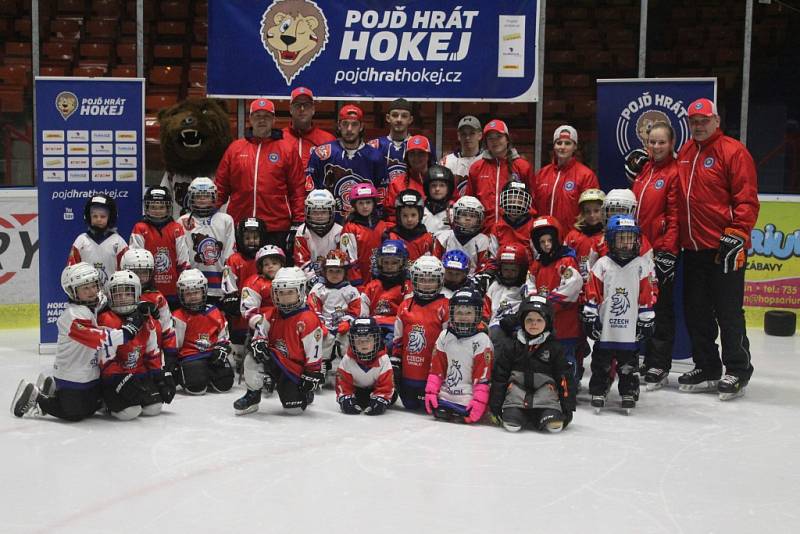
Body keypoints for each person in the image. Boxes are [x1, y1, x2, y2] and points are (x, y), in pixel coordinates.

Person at [675, 98, 759, 400]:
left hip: (726, 248)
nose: (698, 126)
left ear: (716, 120)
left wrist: (736, 233)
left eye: (704, 120)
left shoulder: (733, 151)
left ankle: (737, 368)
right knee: (696, 311)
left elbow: (747, 199)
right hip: (693, 248)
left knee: (728, 312)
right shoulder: (685, 153)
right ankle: (707, 365)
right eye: (693, 121)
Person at [12, 263, 143, 420]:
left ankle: (50, 387)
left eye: (94, 285)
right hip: (72, 376)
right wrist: (128, 331)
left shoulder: (91, 305)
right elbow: (100, 339)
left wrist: (141, 305)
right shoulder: (73, 317)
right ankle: (34, 396)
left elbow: (116, 300)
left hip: (89, 374)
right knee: (74, 414)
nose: (92, 291)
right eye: (85, 288)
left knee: (91, 408)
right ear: (73, 292)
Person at [582, 216, 656, 413]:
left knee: (629, 363)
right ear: (611, 240)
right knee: (601, 361)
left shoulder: (642, 265)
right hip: (606, 327)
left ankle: (629, 391)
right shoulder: (602, 264)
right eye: (621, 238)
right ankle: (599, 389)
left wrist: (646, 319)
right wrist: (590, 316)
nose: (626, 243)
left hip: (629, 328)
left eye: (630, 238)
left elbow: (646, 295)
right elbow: (593, 293)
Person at [215, 98, 305, 250]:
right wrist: (207, 216)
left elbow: (297, 190)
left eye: (266, 116)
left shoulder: (287, 149)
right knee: (241, 269)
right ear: (250, 119)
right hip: (241, 225)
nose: (262, 120)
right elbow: (221, 187)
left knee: (274, 272)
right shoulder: (235, 149)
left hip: (276, 227)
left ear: (274, 119)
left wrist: (298, 223)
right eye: (257, 116)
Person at [234, 267, 325, 415]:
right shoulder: (272, 314)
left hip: (294, 368)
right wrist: (259, 341)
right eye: (281, 293)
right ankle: (252, 395)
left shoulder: (308, 319)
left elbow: (313, 351)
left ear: (300, 291)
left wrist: (312, 373)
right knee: (253, 357)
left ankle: (303, 393)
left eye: (290, 292)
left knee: (293, 410)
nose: (285, 297)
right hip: (274, 359)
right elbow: (261, 331)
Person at [631, 121, 680, 390]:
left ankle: (659, 364)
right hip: (639, 250)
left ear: (672, 143)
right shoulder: (645, 170)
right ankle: (647, 357)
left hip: (659, 251)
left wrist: (668, 252)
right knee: (643, 307)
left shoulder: (675, 172)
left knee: (660, 308)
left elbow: (675, 217)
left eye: (662, 142)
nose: (657, 146)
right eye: (652, 142)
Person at [489, 296, 575, 432]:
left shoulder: (554, 348)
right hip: (516, 394)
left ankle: (544, 412)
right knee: (512, 420)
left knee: (552, 421)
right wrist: (495, 405)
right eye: (529, 320)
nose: (534, 324)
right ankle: (518, 412)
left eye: (539, 320)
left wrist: (567, 407)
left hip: (546, 395)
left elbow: (564, 377)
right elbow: (500, 376)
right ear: (522, 321)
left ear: (547, 322)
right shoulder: (512, 345)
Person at [97, 270, 167, 420]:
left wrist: (159, 376)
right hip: (114, 378)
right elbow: (105, 360)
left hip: (138, 373)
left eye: (128, 294)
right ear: (110, 296)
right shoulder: (106, 319)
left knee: (154, 408)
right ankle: (103, 401)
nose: (122, 299)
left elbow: (152, 351)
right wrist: (120, 379)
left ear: (137, 295)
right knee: (129, 413)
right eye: (117, 294)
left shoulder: (145, 317)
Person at [424, 288, 492, 424]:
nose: (463, 316)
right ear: (452, 313)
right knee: (441, 412)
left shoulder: (482, 340)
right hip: (445, 395)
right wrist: (431, 392)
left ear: (477, 314)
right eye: (459, 312)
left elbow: (482, 376)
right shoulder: (445, 335)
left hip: (467, 397)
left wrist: (479, 402)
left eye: (468, 313)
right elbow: (437, 369)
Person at [306, 104, 386, 218]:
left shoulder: (375, 156)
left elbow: (381, 194)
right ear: (339, 125)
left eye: (354, 124)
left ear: (361, 126)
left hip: (363, 223)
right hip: (327, 222)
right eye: (345, 124)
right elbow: (310, 189)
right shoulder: (322, 154)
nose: (349, 129)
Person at [391, 256, 450, 410]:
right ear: (414, 280)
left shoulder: (445, 306)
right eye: (422, 279)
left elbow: (448, 343)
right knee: (409, 405)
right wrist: (396, 361)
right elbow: (398, 338)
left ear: (440, 281)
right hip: (408, 374)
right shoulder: (405, 305)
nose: (426, 284)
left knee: (428, 407)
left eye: (431, 280)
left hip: (432, 374)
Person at [527, 216, 583, 375]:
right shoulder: (537, 263)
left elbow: (571, 288)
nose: (546, 245)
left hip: (565, 324)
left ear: (557, 238)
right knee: (543, 360)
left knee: (566, 360)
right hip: (541, 322)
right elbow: (529, 284)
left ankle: (568, 389)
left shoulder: (567, 261)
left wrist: (542, 305)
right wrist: (534, 304)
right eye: (542, 242)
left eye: (549, 240)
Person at [170, 268, 234, 395]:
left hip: (212, 355)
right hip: (190, 357)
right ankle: (197, 374)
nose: (193, 297)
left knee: (225, 384)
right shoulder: (178, 316)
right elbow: (175, 344)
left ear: (204, 291)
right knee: (196, 387)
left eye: (196, 292)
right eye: (188, 293)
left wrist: (222, 348)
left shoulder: (214, 311)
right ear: (181, 294)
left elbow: (223, 336)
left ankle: (208, 374)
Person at [465, 119, 534, 232]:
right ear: (486, 142)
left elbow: (532, 202)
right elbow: (469, 200)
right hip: (483, 232)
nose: (494, 141)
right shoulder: (476, 168)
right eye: (490, 138)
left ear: (507, 139)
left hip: (514, 232)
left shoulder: (523, 166)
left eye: (499, 136)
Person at [308, 250, 366, 382]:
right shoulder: (319, 289)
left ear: (345, 273)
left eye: (338, 271)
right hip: (324, 325)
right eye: (331, 271)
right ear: (324, 272)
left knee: (347, 343)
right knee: (322, 341)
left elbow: (355, 309)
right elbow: (313, 307)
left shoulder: (350, 290)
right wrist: (319, 324)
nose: (334, 275)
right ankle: (321, 366)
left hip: (344, 326)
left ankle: (347, 369)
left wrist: (348, 321)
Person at [129, 186, 191, 308]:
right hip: (146, 291)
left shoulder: (176, 228)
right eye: (153, 207)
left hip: (173, 292)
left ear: (168, 208)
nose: (157, 211)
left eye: (161, 207)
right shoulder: (140, 228)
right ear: (146, 207)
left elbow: (183, 262)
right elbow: (134, 263)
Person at [220, 217, 268, 369]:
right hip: (240, 311)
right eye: (247, 238)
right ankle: (239, 352)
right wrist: (232, 298)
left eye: (255, 237)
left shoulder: (268, 258)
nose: (252, 241)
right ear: (240, 238)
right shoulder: (233, 260)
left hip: (262, 308)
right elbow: (228, 285)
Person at [179, 177, 236, 303]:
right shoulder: (183, 220)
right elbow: (182, 254)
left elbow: (230, 252)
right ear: (191, 197)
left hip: (218, 281)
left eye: (206, 195)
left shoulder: (226, 220)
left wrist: (229, 283)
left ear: (214, 197)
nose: (202, 199)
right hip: (191, 284)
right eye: (198, 196)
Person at [533, 125, 600, 232]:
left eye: (568, 143)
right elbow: (533, 207)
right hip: (544, 241)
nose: (562, 147)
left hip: (571, 241)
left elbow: (592, 212)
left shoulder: (586, 175)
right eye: (559, 143)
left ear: (575, 146)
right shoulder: (542, 174)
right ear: (554, 146)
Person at [120, 248, 177, 366]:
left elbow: (167, 326)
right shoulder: (119, 294)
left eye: (144, 272)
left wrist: (170, 352)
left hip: (154, 350)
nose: (140, 277)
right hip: (126, 350)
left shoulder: (157, 297)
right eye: (136, 272)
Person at [335, 317, 395, 415]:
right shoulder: (347, 359)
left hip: (375, 391)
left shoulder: (383, 359)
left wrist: (381, 399)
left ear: (376, 339)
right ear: (352, 341)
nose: (364, 344)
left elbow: (387, 384)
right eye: (358, 340)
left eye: (368, 339)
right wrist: (345, 398)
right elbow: (343, 383)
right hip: (357, 393)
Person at [360, 239, 411, 350]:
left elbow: (407, 312)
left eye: (394, 262)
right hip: (374, 326)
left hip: (395, 327)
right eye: (386, 262)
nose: (389, 266)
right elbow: (363, 310)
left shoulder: (406, 286)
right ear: (379, 263)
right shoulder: (372, 286)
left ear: (402, 263)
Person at [67, 194, 128, 287]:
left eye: (103, 216)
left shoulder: (118, 242)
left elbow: (125, 273)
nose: (98, 219)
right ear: (88, 217)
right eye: (95, 216)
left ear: (110, 218)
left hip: (112, 297)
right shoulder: (81, 241)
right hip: (87, 296)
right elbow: (72, 270)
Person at [432, 196, 497, 278]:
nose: (468, 219)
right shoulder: (443, 237)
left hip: (471, 283)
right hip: (445, 280)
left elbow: (482, 268)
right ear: (456, 215)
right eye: (464, 215)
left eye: (473, 216)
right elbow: (436, 263)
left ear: (480, 219)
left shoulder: (483, 241)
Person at [339, 182, 387, 287]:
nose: (365, 206)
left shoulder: (383, 226)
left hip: (382, 281)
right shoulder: (350, 228)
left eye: (368, 202)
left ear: (374, 203)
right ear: (354, 205)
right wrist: (356, 283)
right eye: (361, 203)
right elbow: (348, 258)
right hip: (360, 283)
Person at [281, 87, 336, 172]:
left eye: (306, 105)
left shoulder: (328, 140)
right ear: (291, 109)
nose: (302, 109)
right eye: (297, 105)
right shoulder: (279, 138)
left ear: (313, 109)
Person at [293, 189, 342, 281]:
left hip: (334, 278)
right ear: (308, 212)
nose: (319, 216)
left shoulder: (339, 231)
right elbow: (301, 263)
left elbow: (343, 261)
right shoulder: (302, 232)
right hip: (308, 279)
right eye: (315, 212)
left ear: (331, 212)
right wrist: (314, 280)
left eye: (323, 212)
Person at [383, 134, 433, 223]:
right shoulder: (397, 184)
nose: (416, 157)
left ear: (428, 156)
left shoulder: (439, 181)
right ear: (407, 157)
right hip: (405, 234)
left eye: (421, 153)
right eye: (412, 153)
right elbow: (390, 216)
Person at [368, 98, 417, 184]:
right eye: (395, 115)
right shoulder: (374, 146)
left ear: (410, 120)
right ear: (387, 118)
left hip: (410, 196)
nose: (399, 119)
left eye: (404, 116)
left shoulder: (419, 147)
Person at [484, 244, 531, 329]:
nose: (509, 273)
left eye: (513, 270)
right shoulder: (495, 286)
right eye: (505, 269)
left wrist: (517, 320)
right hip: (493, 327)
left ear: (521, 270)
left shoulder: (526, 287)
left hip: (517, 327)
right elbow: (485, 308)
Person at [240, 245, 285, 331]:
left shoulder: (290, 278)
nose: (270, 266)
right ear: (261, 267)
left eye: (274, 263)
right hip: (265, 325)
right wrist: (260, 325)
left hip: (288, 322)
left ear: (281, 265)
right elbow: (249, 310)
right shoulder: (254, 283)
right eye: (266, 264)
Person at [383, 189, 434, 262]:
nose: (409, 219)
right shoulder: (391, 237)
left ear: (420, 215)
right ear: (398, 216)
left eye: (413, 215)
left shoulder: (426, 238)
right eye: (405, 215)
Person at [441, 115, 483, 194]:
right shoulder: (447, 162)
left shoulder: (487, 160)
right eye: (464, 134)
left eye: (472, 133)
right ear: (458, 136)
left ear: (480, 135)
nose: (467, 137)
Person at [494, 180, 536, 257]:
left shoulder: (533, 226)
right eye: (511, 199)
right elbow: (492, 257)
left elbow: (538, 258)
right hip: (503, 267)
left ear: (526, 202)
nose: (514, 203)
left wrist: (531, 269)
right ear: (504, 200)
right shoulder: (498, 227)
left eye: (519, 199)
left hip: (527, 268)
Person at [422, 164, 457, 236]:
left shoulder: (454, 209)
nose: (437, 189)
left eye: (442, 185)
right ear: (427, 188)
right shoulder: (420, 208)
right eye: (433, 185)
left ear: (449, 188)